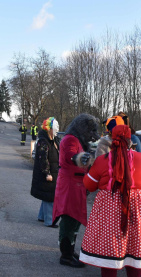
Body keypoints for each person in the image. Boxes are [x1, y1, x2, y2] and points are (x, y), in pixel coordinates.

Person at [80, 125, 141, 277]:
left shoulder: (103, 160)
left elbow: (89, 185)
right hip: (137, 205)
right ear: (130, 140)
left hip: (110, 205)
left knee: (110, 244)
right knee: (135, 243)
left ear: (112, 139)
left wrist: (87, 170)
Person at [52, 113, 100, 268]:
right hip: (70, 186)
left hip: (77, 186)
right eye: (90, 130)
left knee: (75, 221)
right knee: (68, 219)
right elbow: (73, 156)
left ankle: (70, 251)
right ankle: (66, 255)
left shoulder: (77, 139)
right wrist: (93, 161)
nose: (91, 134)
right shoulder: (70, 140)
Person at [30, 117, 60, 228]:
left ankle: (42, 216)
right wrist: (47, 173)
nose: (57, 130)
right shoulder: (43, 141)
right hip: (47, 174)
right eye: (55, 128)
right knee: (49, 197)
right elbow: (43, 159)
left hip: (55, 172)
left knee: (47, 195)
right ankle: (49, 221)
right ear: (49, 129)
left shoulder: (55, 140)